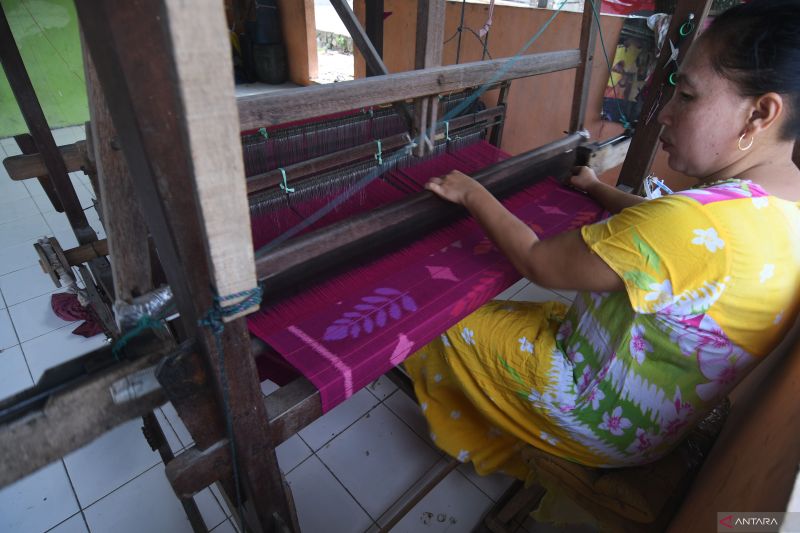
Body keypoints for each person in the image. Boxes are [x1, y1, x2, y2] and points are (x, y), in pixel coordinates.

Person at [404, 0, 800, 481]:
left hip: (597, 415)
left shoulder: (693, 225)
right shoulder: (779, 206)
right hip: (652, 417)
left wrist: (472, 191)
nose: (665, 114)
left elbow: (538, 262)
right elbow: (677, 237)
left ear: (761, 113)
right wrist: (595, 188)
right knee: (491, 308)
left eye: (688, 97)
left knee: (429, 320)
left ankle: (473, 432)